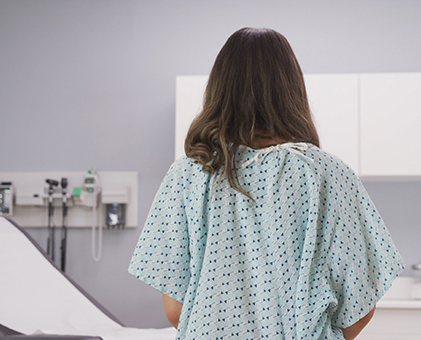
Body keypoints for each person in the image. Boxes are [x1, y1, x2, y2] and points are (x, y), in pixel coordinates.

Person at [128, 27, 404, 340]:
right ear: (292, 89)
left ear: (219, 88)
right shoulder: (328, 173)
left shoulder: (188, 174)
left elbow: (176, 309)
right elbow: (359, 310)